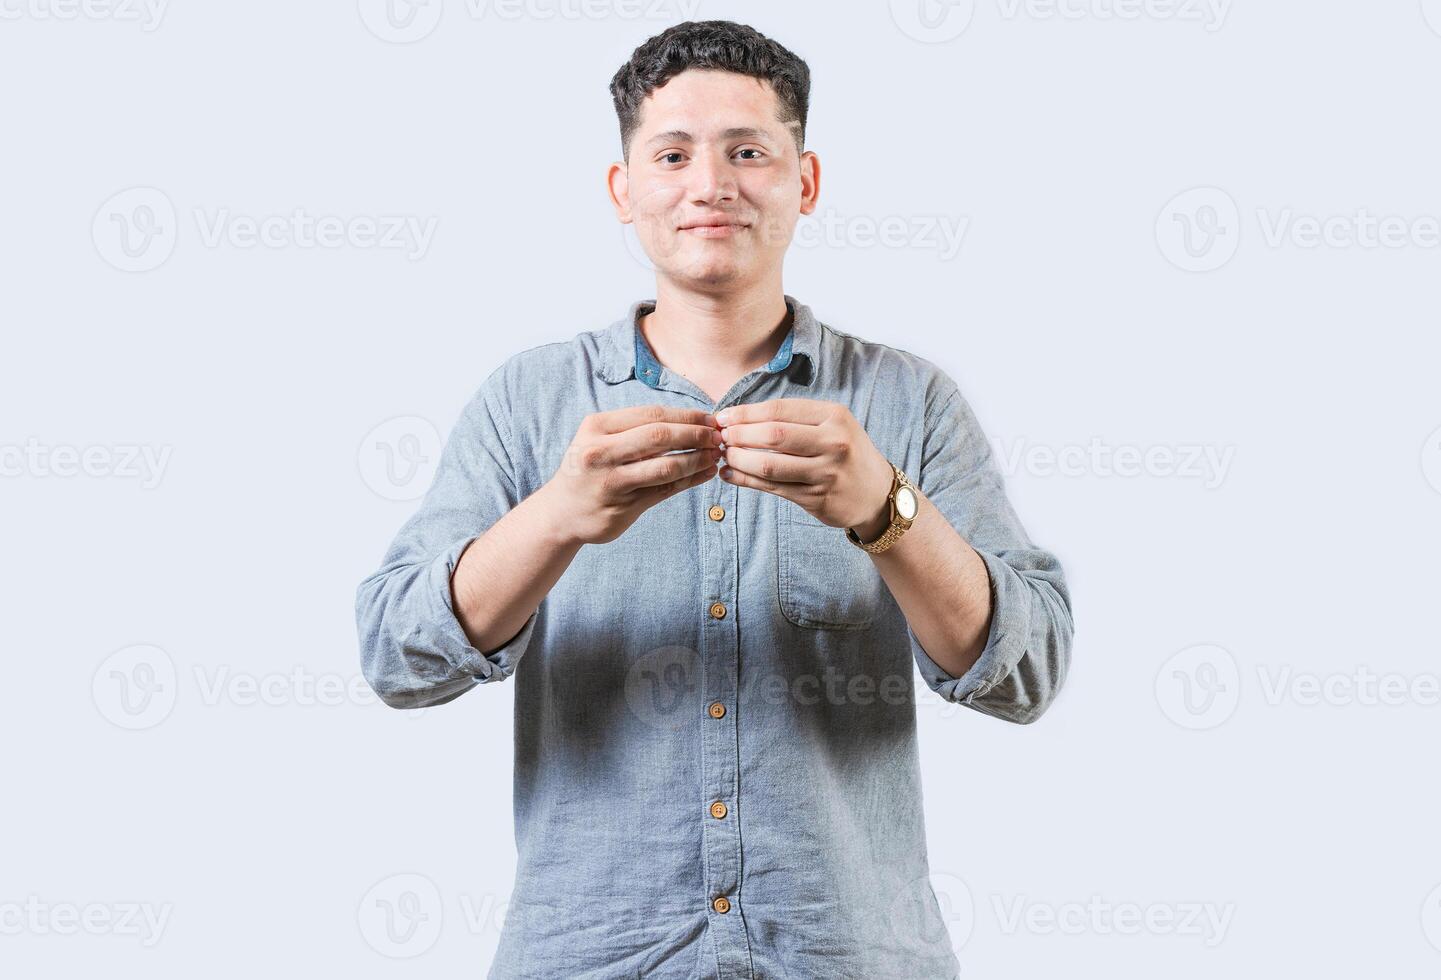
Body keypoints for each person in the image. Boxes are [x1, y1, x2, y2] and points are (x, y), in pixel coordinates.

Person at [355, 19, 1073, 979]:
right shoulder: (528, 402)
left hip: (846, 957)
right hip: (591, 959)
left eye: (748, 152)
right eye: (672, 153)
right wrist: (556, 516)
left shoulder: (907, 402)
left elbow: (1025, 675)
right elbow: (397, 655)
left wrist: (885, 510)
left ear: (804, 180)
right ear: (625, 189)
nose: (710, 185)